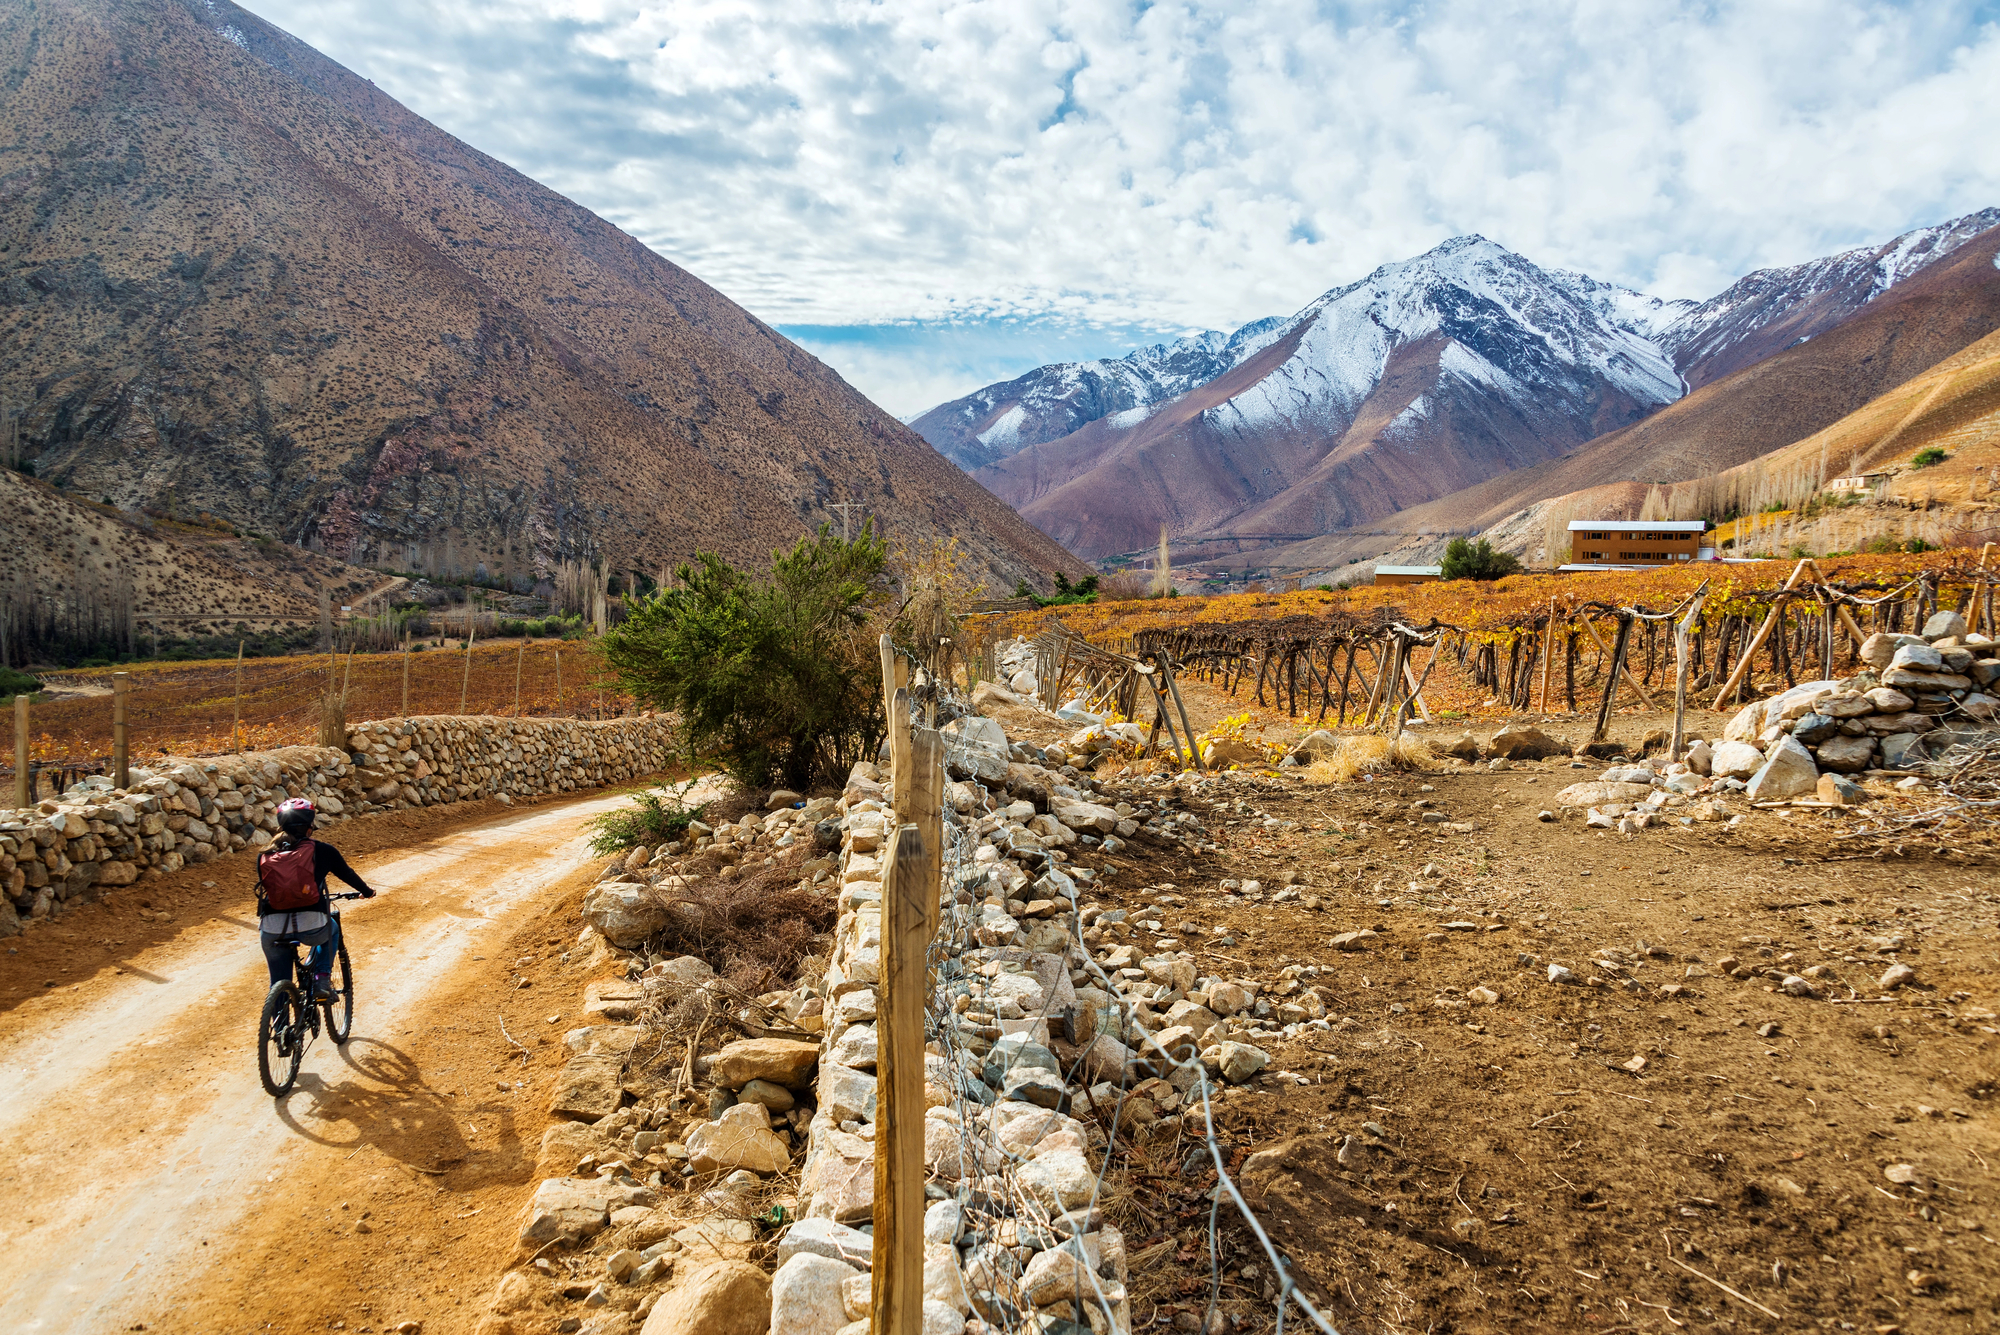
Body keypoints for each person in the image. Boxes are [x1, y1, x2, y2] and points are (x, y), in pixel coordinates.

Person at [256, 797, 375, 1002]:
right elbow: (348, 874)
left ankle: (280, 1031)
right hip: (312, 926)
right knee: (332, 929)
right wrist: (367, 891)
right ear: (310, 825)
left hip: (272, 929)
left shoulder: (265, 855)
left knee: (278, 983)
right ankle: (321, 979)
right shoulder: (323, 850)